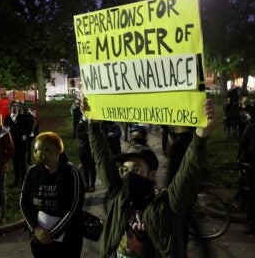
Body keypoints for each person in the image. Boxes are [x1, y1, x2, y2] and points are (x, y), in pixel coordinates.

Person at [83, 98, 215, 257]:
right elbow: (102, 159)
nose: (129, 174)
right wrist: (93, 125)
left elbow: (187, 176)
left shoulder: (165, 205)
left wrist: (200, 137)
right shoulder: (120, 196)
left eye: (136, 168)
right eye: (125, 169)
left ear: (152, 175)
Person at [20, 132, 85, 258]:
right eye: (37, 150)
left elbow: (74, 208)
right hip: (40, 239)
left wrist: (52, 233)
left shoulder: (71, 174)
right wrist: (36, 229)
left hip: (68, 240)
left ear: (58, 150)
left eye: (46, 149)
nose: (42, 154)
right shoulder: (33, 172)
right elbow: (24, 202)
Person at [4, 101, 30, 187]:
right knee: (15, 163)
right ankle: (16, 180)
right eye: (12, 106)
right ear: (10, 108)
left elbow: (28, 128)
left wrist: (25, 135)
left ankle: (24, 181)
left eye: (16, 106)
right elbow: (5, 130)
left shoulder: (23, 117)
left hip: (21, 143)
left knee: (22, 162)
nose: (14, 107)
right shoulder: (7, 118)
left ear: (18, 107)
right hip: (12, 143)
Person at [237, 122, 255, 235]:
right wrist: (243, 160)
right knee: (252, 196)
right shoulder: (251, 129)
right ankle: (251, 221)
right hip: (253, 167)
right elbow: (243, 146)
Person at [76, 115, 96, 192]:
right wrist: (88, 135)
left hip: (90, 149)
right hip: (83, 149)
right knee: (85, 168)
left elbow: (93, 136)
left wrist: (88, 135)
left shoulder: (91, 125)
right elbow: (80, 136)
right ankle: (87, 185)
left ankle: (92, 185)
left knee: (91, 167)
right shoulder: (80, 126)